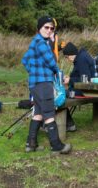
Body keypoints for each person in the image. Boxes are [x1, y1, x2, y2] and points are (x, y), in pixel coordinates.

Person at [22, 16, 71, 154]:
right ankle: (56, 145)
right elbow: (52, 62)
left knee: (38, 113)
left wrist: (33, 72)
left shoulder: (34, 42)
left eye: (51, 28)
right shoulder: (42, 44)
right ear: (39, 28)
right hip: (43, 84)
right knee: (49, 113)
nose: (49, 30)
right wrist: (59, 75)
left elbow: (24, 60)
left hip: (34, 85)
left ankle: (31, 144)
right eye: (46, 27)